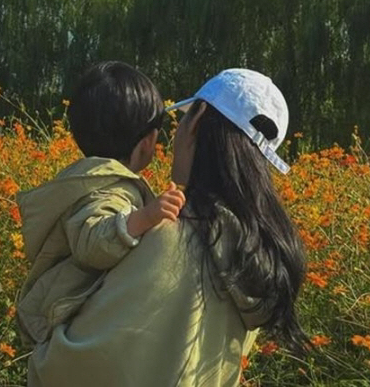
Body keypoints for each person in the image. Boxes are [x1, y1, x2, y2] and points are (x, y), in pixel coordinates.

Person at [26, 68, 306, 387]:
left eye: (181, 120)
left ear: (196, 123)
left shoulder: (163, 234)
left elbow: (86, 365)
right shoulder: (257, 256)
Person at [16, 61, 186, 348]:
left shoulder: (90, 179)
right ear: (147, 141)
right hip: (65, 328)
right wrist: (147, 216)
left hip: (70, 322)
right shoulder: (106, 190)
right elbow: (93, 244)